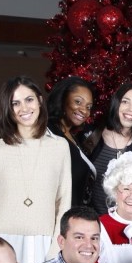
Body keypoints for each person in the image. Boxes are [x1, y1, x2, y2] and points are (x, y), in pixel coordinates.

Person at [0, 75, 71, 263]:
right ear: (8, 109)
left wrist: (56, 247)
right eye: (15, 103)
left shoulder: (59, 146)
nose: (24, 108)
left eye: (29, 99)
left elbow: (64, 200)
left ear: (40, 101)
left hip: (42, 242)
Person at [89, 83, 132, 214]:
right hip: (90, 223)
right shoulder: (92, 136)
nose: (131, 109)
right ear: (116, 104)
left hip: (125, 225)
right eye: (125, 102)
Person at [47, 76, 97, 207]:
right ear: (63, 99)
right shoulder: (48, 133)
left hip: (74, 216)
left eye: (88, 107)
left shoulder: (74, 138)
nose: (84, 110)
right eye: (78, 102)